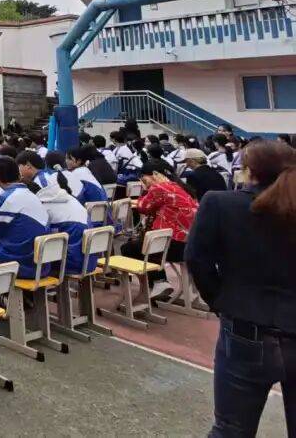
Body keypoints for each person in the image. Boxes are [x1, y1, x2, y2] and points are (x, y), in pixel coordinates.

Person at [186, 139, 296, 436]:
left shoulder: (221, 204)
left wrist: (221, 301)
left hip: (246, 328)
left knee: (231, 430)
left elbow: (197, 259)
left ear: (250, 171)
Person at [119, 163, 198, 298]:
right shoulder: (180, 187)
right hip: (190, 243)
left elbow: (143, 207)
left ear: (155, 174)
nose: (144, 183)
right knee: (148, 244)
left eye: (144, 180)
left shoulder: (159, 187)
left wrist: (145, 190)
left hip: (173, 245)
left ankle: (156, 283)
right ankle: (159, 282)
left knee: (129, 248)